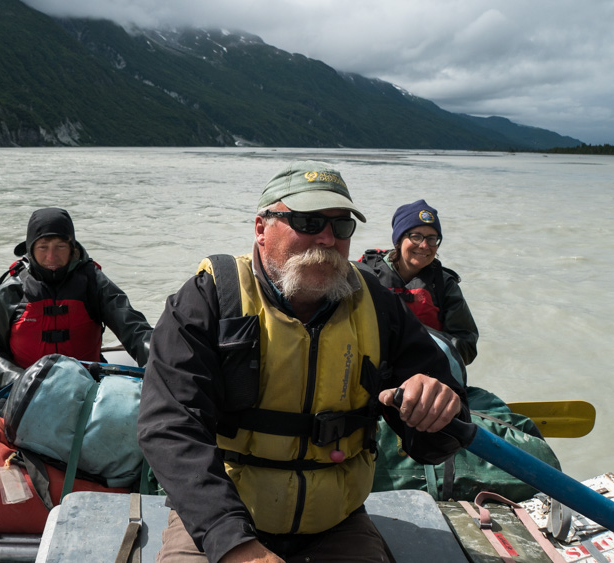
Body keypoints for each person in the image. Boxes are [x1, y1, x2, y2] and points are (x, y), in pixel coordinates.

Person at [137, 162, 469, 562]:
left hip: (335, 524)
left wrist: (437, 409)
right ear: (261, 228)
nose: (327, 239)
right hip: (220, 520)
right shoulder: (209, 298)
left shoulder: (380, 306)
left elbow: (439, 439)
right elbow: (170, 426)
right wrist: (234, 545)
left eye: (341, 226)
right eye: (308, 222)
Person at [0, 207, 151, 388]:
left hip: (87, 385)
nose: (51, 256)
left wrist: (158, 361)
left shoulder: (93, 282)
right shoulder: (12, 290)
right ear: (31, 249)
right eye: (43, 247)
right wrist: (18, 381)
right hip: (24, 392)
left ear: (72, 248)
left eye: (60, 246)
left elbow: (134, 330)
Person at [357, 200, 479, 366]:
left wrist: (418, 341)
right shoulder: (366, 274)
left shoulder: (445, 285)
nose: (424, 245)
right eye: (415, 237)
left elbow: (467, 346)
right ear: (399, 240)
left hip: (424, 374)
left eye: (432, 239)